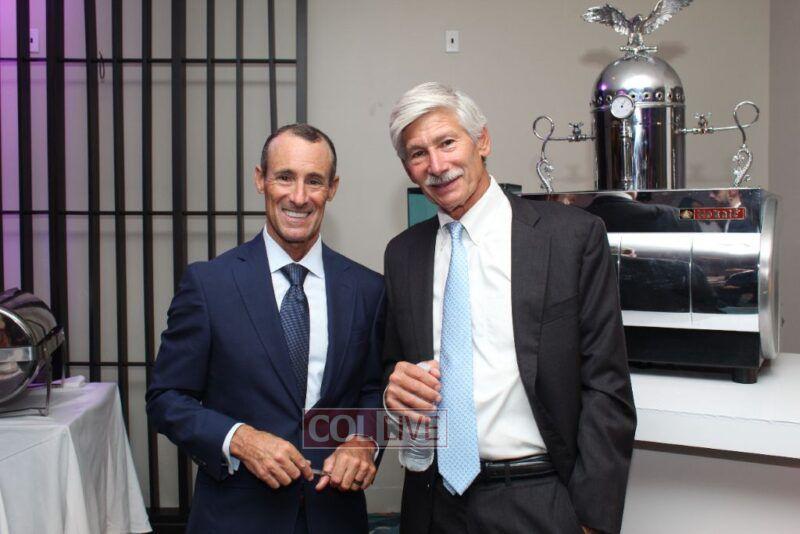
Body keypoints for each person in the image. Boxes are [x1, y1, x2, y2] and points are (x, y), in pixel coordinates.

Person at [382, 82, 636, 534]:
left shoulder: (571, 238)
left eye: (447, 142)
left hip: (537, 497)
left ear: (482, 141)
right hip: (432, 504)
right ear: (408, 168)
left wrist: (591, 519)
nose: (436, 166)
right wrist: (393, 392)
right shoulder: (402, 254)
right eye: (418, 154)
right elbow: (394, 366)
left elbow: (607, 385)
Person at [146, 124, 385, 534]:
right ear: (261, 180)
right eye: (285, 177)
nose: (299, 196)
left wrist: (364, 441)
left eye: (314, 181)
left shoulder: (367, 289)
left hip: (335, 515)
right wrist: (239, 438)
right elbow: (166, 398)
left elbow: (375, 389)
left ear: (332, 188)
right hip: (235, 517)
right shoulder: (209, 285)